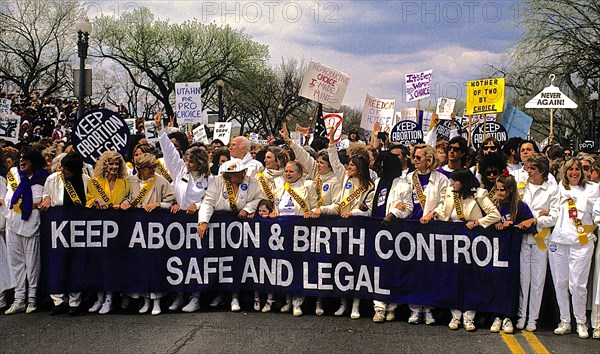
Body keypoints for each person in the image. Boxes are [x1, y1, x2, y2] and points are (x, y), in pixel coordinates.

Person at [420, 168, 501, 331]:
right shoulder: (451, 193)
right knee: (454, 279)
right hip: (453, 243)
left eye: (455, 181)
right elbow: (443, 209)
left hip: (473, 243)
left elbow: (495, 214)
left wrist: (477, 223)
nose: (451, 183)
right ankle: (455, 316)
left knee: (471, 281)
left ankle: (469, 317)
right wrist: (431, 214)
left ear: (463, 182)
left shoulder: (479, 193)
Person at [311, 123, 375, 319]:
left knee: (357, 268)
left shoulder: (370, 185)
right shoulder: (345, 179)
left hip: (359, 230)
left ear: (360, 167)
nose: (348, 167)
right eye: (349, 165)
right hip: (341, 229)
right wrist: (321, 209)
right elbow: (338, 205)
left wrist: (354, 213)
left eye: (353, 165)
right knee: (342, 267)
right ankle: (343, 302)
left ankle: (356, 304)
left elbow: (368, 209)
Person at [155, 111, 214, 313]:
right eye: (186, 161)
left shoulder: (209, 178)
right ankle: (179, 295)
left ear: (200, 162)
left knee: (196, 260)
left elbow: (210, 199)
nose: (187, 165)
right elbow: (170, 153)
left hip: (197, 223)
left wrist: (196, 207)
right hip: (179, 221)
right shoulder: (180, 170)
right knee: (178, 259)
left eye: (191, 162)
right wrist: (161, 130)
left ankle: (195, 297)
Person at [197, 158, 264, 312]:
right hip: (221, 227)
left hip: (242, 229)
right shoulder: (217, 181)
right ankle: (220, 294)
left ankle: (235, 296)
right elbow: (208, 202)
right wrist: (203, 221)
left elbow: (259, 198)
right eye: (235, 174)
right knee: (221, 262)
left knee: (239, 262)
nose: (241, 175)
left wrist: (247, 208)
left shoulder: (252, 182)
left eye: (241, 172)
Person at [549, 158, 599, 339]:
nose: (574, 172)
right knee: (560, 283)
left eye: (578, 169)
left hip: (582, 244)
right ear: (565, 171)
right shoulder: (557, 189)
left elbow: (597, 212)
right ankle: (565, 321)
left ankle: (581, 321)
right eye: (571, 169)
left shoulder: (592, 189)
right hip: (558, 242)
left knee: (577, 285)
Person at [122, 153, 175, 315]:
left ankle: (157, 300)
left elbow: (172, 200)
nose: (153, 170)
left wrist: (159, 204)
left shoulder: (160, 180)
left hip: (156, 229)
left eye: (154, 167)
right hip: (136, 229)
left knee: (155, 263)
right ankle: (145, 299)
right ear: (140, 169)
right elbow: (124, 198)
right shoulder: (129, 181)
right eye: (149, 168)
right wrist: (125, 204)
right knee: (141, 264)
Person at [39, 151, 90, 316]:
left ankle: (75, 301)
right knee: (57, 262)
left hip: (79, 229)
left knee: (75, 262)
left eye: (67, 169)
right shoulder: (53, 179)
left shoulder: (86, 181)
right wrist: (46, 200)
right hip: (57, 230)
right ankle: (58, 300)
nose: (63, 171)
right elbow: (46, 197)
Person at [514, 153, 559, 332]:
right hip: (523, 238)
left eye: (532, 169)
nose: (528, 171)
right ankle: (521, 315)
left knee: (538, 281)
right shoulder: (521, 186)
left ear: (542, 170)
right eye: (528, 168)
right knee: (523, 280)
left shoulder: (551, 189)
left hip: (541, 239)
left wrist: (536, 220)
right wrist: (539, 214)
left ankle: (533, 318)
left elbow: (554, 216)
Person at [405, 143, 449, 324]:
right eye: (414, 157)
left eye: (418, 157)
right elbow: (402, 198)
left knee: (430, 271)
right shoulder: (408, 178)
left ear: (428, 160)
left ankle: (429, 308)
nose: (414, 160)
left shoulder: (440, 179)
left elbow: (447, 200)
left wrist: (433, 213)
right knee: (414, 271)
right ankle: (415, 309)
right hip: (412, 228)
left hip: (431, 229)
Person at [3, 147, 49, 315]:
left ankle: (32, 299)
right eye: (21, 158)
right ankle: (19, 298)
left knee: (32, 265)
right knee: (16, 264)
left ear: (34, 162)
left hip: (31, 225)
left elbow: (47, 198)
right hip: (13, 223)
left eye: (27, 159)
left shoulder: (44, 177)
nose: (22, 161)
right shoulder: (13, 174)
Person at [85, 151, 130, 315]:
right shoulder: (94, 182)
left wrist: (125, 202)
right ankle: (99, 297)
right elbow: (87, 200)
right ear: (104, 165)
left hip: (117, 228)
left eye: (116, 164)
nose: (114, 167)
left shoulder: (124, 183)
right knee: (98, 263)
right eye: (111, 164)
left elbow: (128, 198)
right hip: (98, 228)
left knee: (112, 263)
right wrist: (95, 201)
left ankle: (110, 297)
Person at [271, 161, 318, 317]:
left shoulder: (308, 186)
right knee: (284, 266)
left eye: (291, 171)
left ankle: (298, 302)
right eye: (286, 171)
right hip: (281, 232)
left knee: (298, 267)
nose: (288, 174)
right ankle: (287, 300)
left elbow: (314, 205)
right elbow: (274, 205)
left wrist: (310, 213)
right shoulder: (279, 186)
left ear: (299, 173)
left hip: (301, 232)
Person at [489, 174, 535, 334]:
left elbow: (531, 224)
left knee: (511, 282)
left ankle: (508, 316)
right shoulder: (492, 205)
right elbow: (481, 221)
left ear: (510, 190)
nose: (499, 193)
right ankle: (496, 316)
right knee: (495, 282)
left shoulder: (519, 206)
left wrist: (516, 224)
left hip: (513, 250)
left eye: (503, 190)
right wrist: (496, 223)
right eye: (497, 189)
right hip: (494, 251)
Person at [371, 151, 413, 323]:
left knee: (394, 270)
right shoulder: (376, 182)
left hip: (395, 234)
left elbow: (408, 208)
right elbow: (369, 206)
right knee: (377, 271)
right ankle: (379, 308)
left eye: (382, 164)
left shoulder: (403, 185)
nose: (379, 167)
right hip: (375, 233)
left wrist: (394, 213)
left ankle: (392, 308)